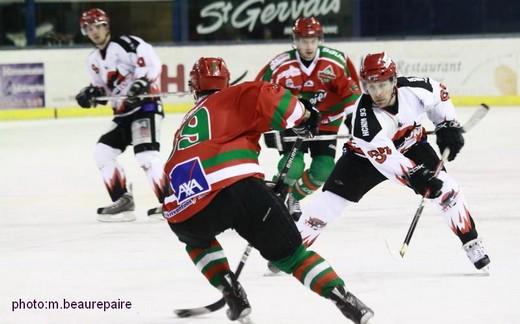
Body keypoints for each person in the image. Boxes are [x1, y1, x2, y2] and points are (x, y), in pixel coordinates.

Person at [164, 57, 374, 324]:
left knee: (196, 240)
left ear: (194, 89)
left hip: (183, 207)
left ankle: (230, 290)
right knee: (293, 257)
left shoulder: (185, 124)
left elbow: (183, 171)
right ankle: (343, 298)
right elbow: (270, 96)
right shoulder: (235, 94)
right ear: (226, 82)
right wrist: (307, 114)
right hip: (239, 186)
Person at [295, 52, 491, 271]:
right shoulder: (364, 122)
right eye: (370, 86)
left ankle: (471, 242)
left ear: (393, 80)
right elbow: (387, 159)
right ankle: (288, 249)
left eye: (381, 85)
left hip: (412, 144)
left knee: (448, 189)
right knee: (329, 204)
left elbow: (440, 95)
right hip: (364, 158)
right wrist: (416, 176)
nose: (376, 92)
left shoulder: (417, 89)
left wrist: (446, 125)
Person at [256, 16, 361, 218]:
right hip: (295, 120)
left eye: (312, 40)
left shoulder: (335, 62)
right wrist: (268, 126)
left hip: (328, 121)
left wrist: (354, 121)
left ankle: (294, 197)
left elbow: (352, 94)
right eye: (304, 41)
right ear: (295, 41)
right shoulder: (281, 65)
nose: (309, 46)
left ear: (319, 39)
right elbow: (261, 94)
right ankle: (278, 193)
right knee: (293, 166)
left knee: (324, 170)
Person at [75, 8, 166, 222]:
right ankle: (123, 201)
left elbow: (152, 64)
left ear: (106, 26)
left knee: (146, 156)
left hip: (146, 107)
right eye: (89, 28)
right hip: (123, 114)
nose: (94, 31)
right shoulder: (93, 60)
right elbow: (103, 89)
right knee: (102, 152)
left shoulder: (128, 44)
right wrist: (91, 95)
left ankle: (171, 202)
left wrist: (142, 83)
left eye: (98, 26)